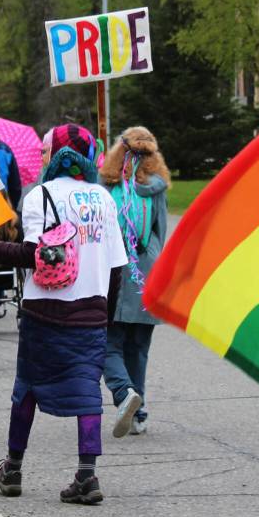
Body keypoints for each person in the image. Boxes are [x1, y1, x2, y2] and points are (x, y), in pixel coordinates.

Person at [0, 123, 127, 505]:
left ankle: (12, 468)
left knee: (27, 386)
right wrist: (104, 317)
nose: (42, 156)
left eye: (46, 149)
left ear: (59, 154)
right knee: (86, 392)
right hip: (91, 310)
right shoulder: (104, 199)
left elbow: (31, 255)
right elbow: (116, 267)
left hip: (44, 309)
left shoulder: (38, 195)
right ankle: (87, 477)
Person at [98, 127, 170, 436]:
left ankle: (124, 393)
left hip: (113, 270)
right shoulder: (156, 189)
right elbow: (161, 232)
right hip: (147, 269)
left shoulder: (106, 186)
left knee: (108, 343)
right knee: (139, 346)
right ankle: (138, 412)